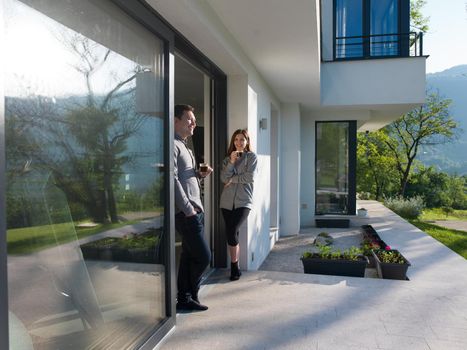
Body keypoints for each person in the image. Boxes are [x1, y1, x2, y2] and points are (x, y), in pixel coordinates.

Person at [174, 104, 212, 311]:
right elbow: (172, 180)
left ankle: (185, 298)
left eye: (193, 119)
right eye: (189, 119)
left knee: (189, 257)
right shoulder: (173, 144)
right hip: (187, 213)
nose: (193, 123)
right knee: (204, 257)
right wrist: (188, 209)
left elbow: (182, 176)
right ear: (176, 120)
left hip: (195, 211)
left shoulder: (184, 145)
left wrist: (199, 175)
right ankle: (189, 294)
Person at [220, 129, 257, 281]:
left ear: (247, 142)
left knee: (232, 230)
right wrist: (232, 162)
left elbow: (249, 177)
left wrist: (232, 179)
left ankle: (234, 265)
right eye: (236, 139)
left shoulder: (251, 157)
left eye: (242, 139)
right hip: (226, 202)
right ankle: (236, 267)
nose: (239, 142)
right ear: (233, 142)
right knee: (232, 233)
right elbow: (223, 177)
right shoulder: (227, 159)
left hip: (244, 201)